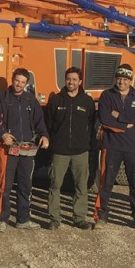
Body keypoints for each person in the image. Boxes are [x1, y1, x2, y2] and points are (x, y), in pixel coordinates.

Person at [0, 68, 49, 232]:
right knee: (5, 186)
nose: (19, 84)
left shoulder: (31, 100)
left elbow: (39, 121)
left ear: (26, 83)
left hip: (27, 148)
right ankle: (2, 219)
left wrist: (44, 135)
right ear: (12, 79)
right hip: (9, 149)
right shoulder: (2, 98)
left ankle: (23, 219)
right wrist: (2, 135)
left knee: (25, 185)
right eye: (17, 81)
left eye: (22, 82)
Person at [94, 63, 135, 231]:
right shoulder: (106, 96)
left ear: (130, 80)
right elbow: (105, 118)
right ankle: (101, 216)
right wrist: (127, 123)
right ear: (115, 79)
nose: (122, 82)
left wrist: (120, 115)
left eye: (125, 79)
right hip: (111, 146)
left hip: (133, 147)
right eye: (119, 79)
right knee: (106, 183)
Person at [45, 66, 95, 230]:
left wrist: (87, 144)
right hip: (60, 151)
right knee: (55, 185)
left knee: (81, 186)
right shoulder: (56, 100)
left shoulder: (87, 102)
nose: (70, 82)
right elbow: (49, 123)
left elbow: (91, 124)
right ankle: (54, 218)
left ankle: (79, 217)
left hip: (80, 151)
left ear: (80, 81)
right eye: (68, 79)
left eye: (74, 79)